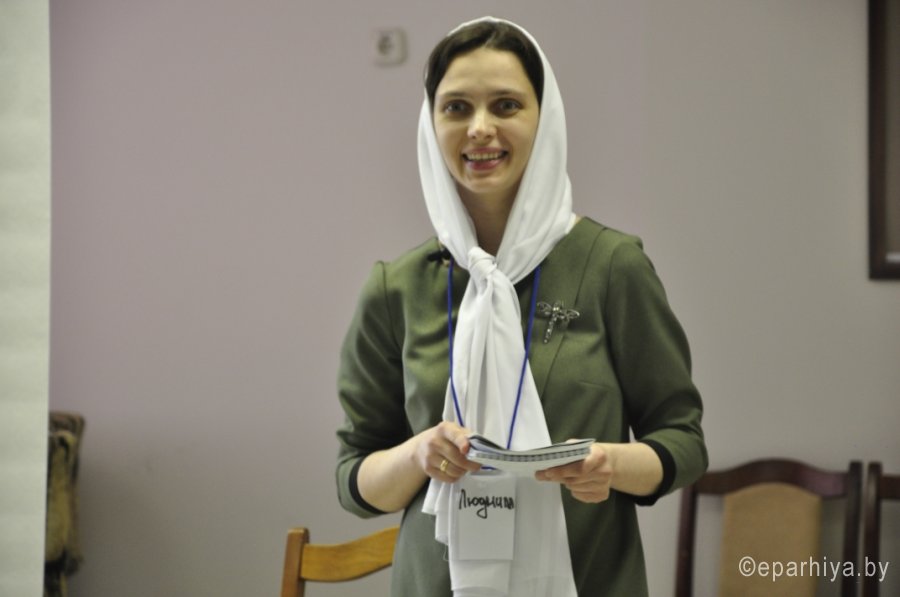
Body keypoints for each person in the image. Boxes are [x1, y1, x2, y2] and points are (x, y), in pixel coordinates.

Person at [335, 16, 707, 597]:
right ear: (431, 124)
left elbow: (682, 442)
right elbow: (353, 479)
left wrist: (610, 465)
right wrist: (416, 455)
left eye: (506, 105)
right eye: (457, 108)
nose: (480, 128)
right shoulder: (396, 287)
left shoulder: (611, 266)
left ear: (544, 117)